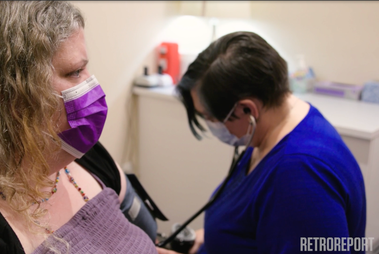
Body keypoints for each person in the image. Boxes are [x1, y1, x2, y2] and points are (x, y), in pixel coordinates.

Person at [0, 1, 157, 253]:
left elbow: (151, 238)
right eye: (75, 71)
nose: (92, 85)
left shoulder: (85, 154)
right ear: (9, 93)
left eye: (85, 68)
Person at [157, 31, 366, 254]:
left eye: (210, 118)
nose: (212, 126)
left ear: (248, 109)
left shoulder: (299, 175)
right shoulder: (275, 130)